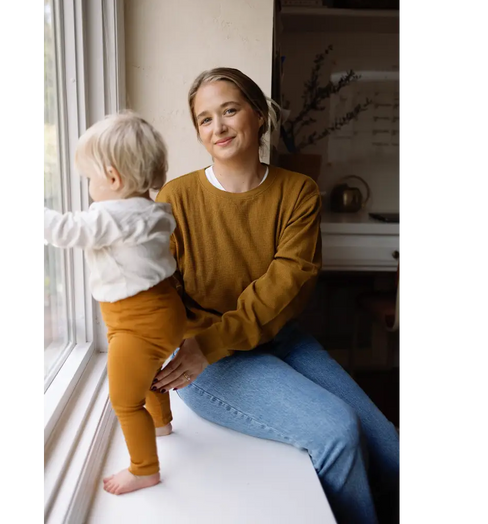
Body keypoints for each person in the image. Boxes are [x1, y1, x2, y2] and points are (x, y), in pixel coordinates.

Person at [152, 68, 402, 524]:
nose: (218, 126)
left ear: (259, 115)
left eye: (229, 110)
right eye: (205, 119)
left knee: (391, 449)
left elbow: (285, 284)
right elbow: (156, 290)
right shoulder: (177, 197)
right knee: (337, 432)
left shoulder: (298, 192)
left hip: (279, 339)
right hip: (203, 356)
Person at [41, 110, 186, 496]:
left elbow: (66, 230)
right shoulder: (150, 211)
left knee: (124, 400)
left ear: (113, 178)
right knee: (149, 371)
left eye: (90, 178)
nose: (89, 186)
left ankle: (145, 469)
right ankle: (162, 423)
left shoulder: (114, 217)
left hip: (137, 322)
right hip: (166, 311)